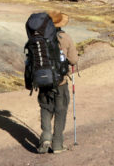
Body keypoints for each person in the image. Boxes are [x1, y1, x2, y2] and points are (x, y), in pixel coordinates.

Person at [37, 10, 79, 154]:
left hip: (43, 81)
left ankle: (46, 138)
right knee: (60, 111)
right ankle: (57, 144)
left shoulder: (38, 38)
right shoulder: (65, 37)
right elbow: (73, 60)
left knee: (45, 107)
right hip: (60, 82)